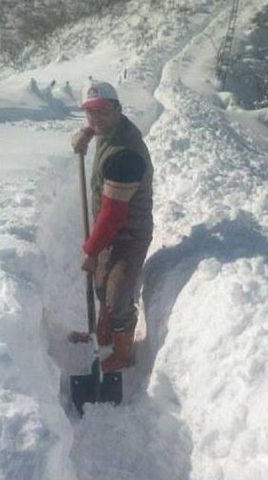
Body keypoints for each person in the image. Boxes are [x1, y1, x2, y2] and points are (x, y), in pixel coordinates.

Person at [68, 80, 153, 373]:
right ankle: (101, 331)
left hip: (129, 232)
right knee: (101, 283)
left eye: (102, 111)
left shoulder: (125, 155)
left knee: (117, 295)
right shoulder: (109, 128)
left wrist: (91, 250)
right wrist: (86, 133)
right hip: (110, 225)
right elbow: (99, 125)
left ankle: (123, 351)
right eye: (89, 113)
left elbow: (114, 215)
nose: (95, 118)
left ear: (117, 109)